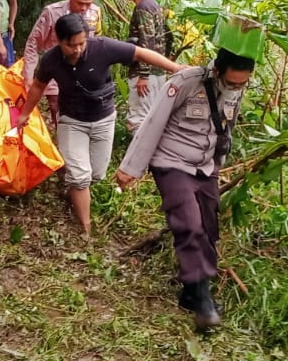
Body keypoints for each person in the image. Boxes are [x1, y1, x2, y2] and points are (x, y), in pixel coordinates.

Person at [115, 48, 257, 332]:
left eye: (242, 84)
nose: (236, 88)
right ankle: (203, 301)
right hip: (170, 161)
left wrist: (217, 165)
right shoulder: (185, 82)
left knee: (208, 226)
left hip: (204, 166)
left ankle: (190, 293)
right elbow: (153, 123)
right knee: (189, 224)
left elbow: (227, 128)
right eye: (232, 83)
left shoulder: (237, 89)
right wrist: (131, 167)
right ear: (217, 70)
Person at [12, 14, 181, 236]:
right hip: (71, 120)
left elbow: (140, 53)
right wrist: (25, 114)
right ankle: (86, 228)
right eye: (71, 45)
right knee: (80, 176)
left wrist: (175, 68)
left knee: (96, 174)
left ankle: (74, 185)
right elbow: (38, 86)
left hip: (103, 119)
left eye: (82, 43)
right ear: (59, 41)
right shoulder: (51, 60)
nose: (78, 49)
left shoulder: (102, 47)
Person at [22, 0, 101, 120]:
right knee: (59, 112)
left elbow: (96, 42)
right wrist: (28, 75)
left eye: (88, 4)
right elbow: (34, 43)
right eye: (80, 3)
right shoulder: (52, 13)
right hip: (57, 74)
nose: (84, 8)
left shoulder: (95, 13)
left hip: (84, 74)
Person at [121, 0, 168, 132]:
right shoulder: (155, 5)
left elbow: (147, 42)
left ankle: (139, 157)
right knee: (151, 119)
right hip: (158, 73)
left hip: (146, 76)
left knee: (138, 121)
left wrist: (144, 75)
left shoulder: (143, 8)